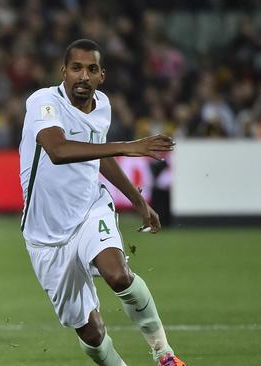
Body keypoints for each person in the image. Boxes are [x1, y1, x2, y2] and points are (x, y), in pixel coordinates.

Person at [19, 39, 186, 366]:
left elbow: (98, 156)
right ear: (63, 71)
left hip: (88, 209)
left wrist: (138, 200)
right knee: (92, 332)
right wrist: (127, 146)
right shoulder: (44, 102)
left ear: (102, 76)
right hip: (45, 236)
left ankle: (164, 354)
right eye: (77, 68)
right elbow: (59, 150)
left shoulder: (103, 106)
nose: (83, 75)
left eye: (91, 69)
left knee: (118, 274)